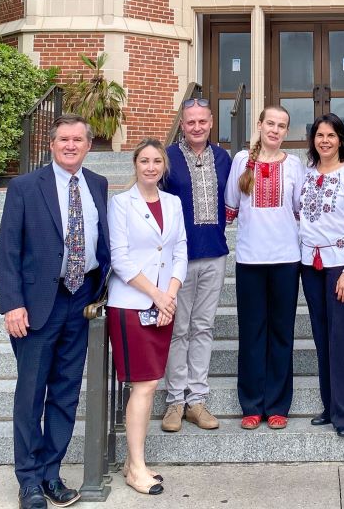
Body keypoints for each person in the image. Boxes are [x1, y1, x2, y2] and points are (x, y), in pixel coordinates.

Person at [0, 114, 110, 509]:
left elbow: (103, 243)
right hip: (37, 306)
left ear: (88, 145)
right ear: (51, 143)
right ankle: (28, 480)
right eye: (64, 139)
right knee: (31, 395)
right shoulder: (25, 187)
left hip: (81, 303)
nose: (71, 145)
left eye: (78, 140)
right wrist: (12, 303)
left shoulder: (97, 184)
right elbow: (8, 250)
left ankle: (50, 474)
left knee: (64, 394)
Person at [106, 138, 187, 496]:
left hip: (164, 305)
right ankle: (135, 467)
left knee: (151, 382)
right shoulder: (120, 204)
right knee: (144, 384)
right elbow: (120, 259)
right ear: (135, 165)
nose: (151, 167)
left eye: (157, 161)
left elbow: (181, 249)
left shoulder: (173, 203)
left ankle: (133, 461)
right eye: (144, 161)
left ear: (164, 167)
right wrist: (155, 294)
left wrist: (169, 294)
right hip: (131, 304)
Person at [225, 105, 305, 430]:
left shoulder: (296, 165)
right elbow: (231, 206)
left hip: (287, 259)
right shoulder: (241, 161)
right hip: (250, 259)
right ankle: (252, 404)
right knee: (252, 332)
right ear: (259, 125)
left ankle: (277, 404)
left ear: (287, 131)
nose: (275, 129)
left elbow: (301, 211)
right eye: (270, 123)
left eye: (281, 125)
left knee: (281, 333)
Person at [162, 99, 232, 432]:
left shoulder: (223, 157)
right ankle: (175, 401)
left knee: (203, 327)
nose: (197, 127)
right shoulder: (168, 158)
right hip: (179, 259)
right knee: (178, 329)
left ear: (211, 122)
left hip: (215, 253)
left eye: (202, 121)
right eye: (190, 122)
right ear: (183, 123)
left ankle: (197, 401)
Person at [299, 114, 344, 438]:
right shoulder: (307, 173)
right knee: (321, 334)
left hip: (340, 265)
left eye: (330, 135)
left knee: (340, 335)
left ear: (341, 139)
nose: (324, 140)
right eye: (319, 135)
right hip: (310, 264)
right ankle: (329, 406)